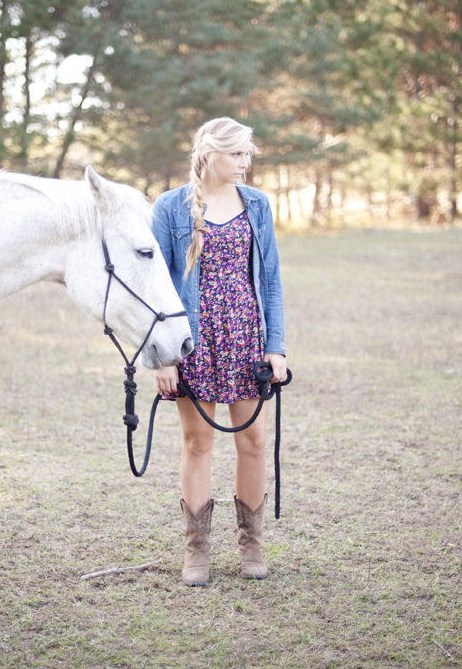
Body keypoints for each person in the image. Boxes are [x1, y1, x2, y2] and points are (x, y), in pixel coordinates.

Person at [151, 117, 287, 586]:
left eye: (248, 155)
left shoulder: (256, 205)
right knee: (198, 442)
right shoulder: (170, 208)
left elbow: (270, 279)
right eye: (238, 154)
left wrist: (277, 347)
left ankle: (251, 544)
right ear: (211, 153)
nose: (245, 163)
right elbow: (158, 287)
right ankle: (198, 551)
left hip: (247, 336)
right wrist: (163, 356)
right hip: (193, 340)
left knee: (252, 441)